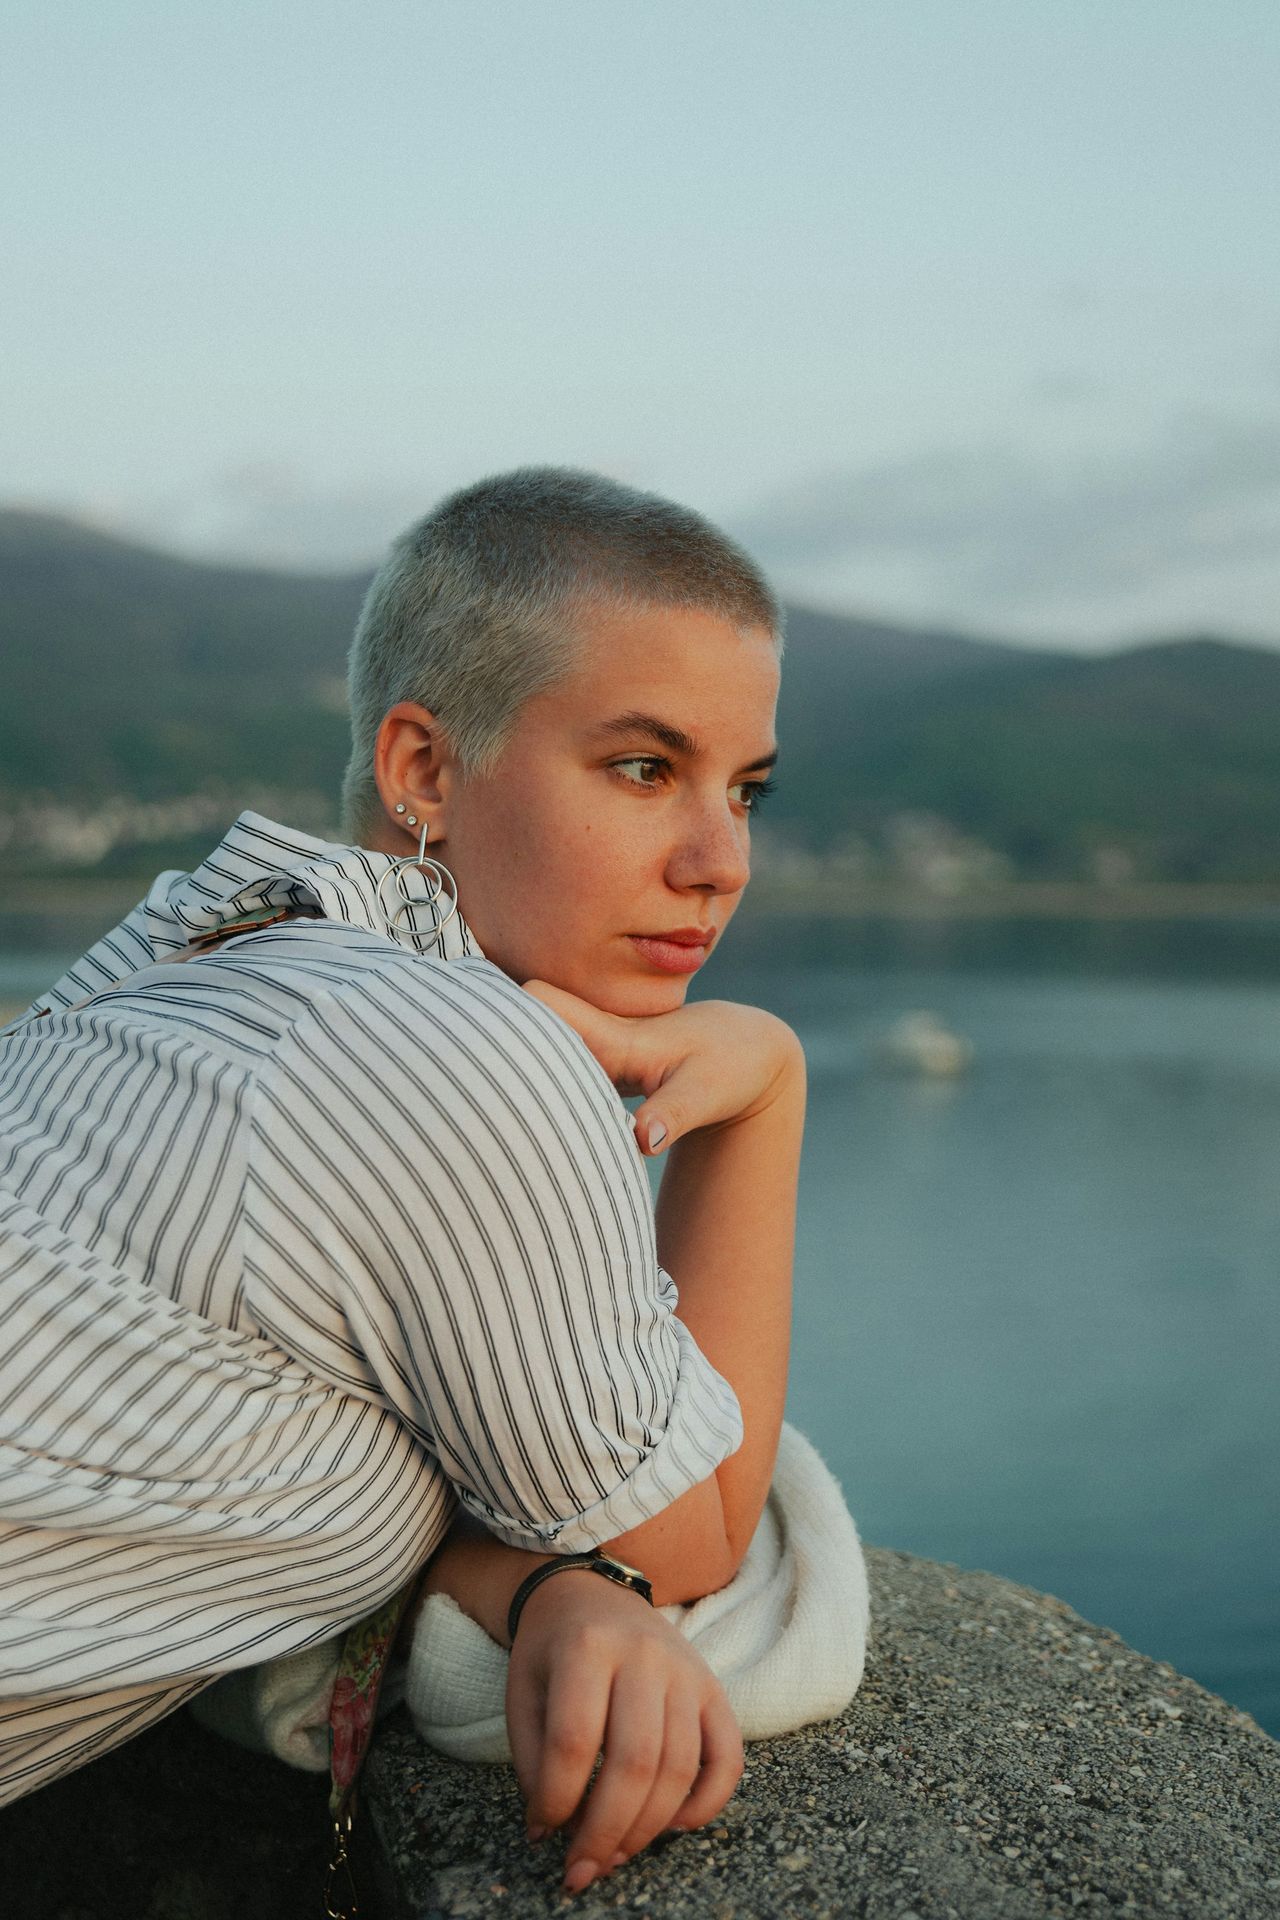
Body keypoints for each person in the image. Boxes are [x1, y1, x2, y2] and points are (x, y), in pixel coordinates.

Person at [0, 468, 804, 1896]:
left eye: (745, 790)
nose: (719, 860)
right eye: (644, 768)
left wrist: (520, 1574)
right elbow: (690, 1533)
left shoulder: (192, 944)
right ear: (423, 769)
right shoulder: (451, 1046)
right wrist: (768, 1093)